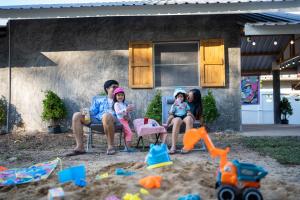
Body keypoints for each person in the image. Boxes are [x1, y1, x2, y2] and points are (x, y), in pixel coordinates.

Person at [66, 80, 131, 156]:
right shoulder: (99, 100)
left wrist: (127, 117)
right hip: (97, 120)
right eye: (114, 87)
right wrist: (84, 112)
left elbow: (127, 117)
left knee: (107, 115)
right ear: (107, 89)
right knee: (76, 115)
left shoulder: (122, 102)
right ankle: (80, 147)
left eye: (117, 87)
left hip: (114, 121)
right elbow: (92, 111)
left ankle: (110, 147)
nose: (116, 88)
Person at [168, 88, 203, 154]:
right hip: (176, 117)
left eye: (190, 97)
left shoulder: (196, 106)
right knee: (178, 120)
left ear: (195, 98)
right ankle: (173, 146)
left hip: (186, 118)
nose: (187, 97)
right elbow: (178, 94)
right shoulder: (182, 99)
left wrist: (201, 128)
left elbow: (198, 118)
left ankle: (187, 145)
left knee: (189, 118)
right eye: (187, 95)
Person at [112, 87, 135, 152]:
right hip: (121, 120)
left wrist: (129, 109)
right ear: (115, 96)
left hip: (125, 120)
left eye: (122, 95)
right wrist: (125, 109)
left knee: (127, 133)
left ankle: (126, 148)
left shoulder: (123, 104)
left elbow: (126, 112)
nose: (120, 97)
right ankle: (128, 148)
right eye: (118, 95)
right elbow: (118, 112)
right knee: (129, 133)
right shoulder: (116, 104)